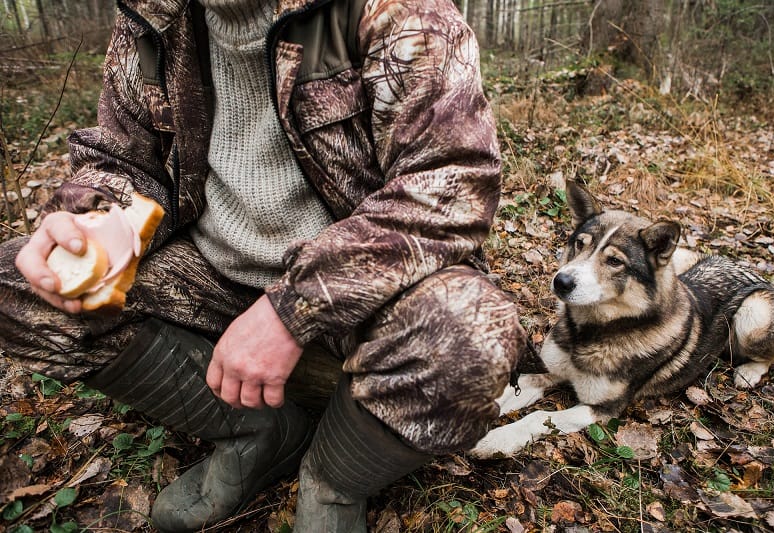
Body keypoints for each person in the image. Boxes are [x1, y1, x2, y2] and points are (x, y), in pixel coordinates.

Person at [0, 0, 525, 531]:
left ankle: (333, 482)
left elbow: (451, 182)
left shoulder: (393, 12)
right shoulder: (154, 16)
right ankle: (257, 432)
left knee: (469, 336)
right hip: (208, 272)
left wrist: (293, 307)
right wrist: (102, 217)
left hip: (363, 294)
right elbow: (123, 155)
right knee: (18, 281)